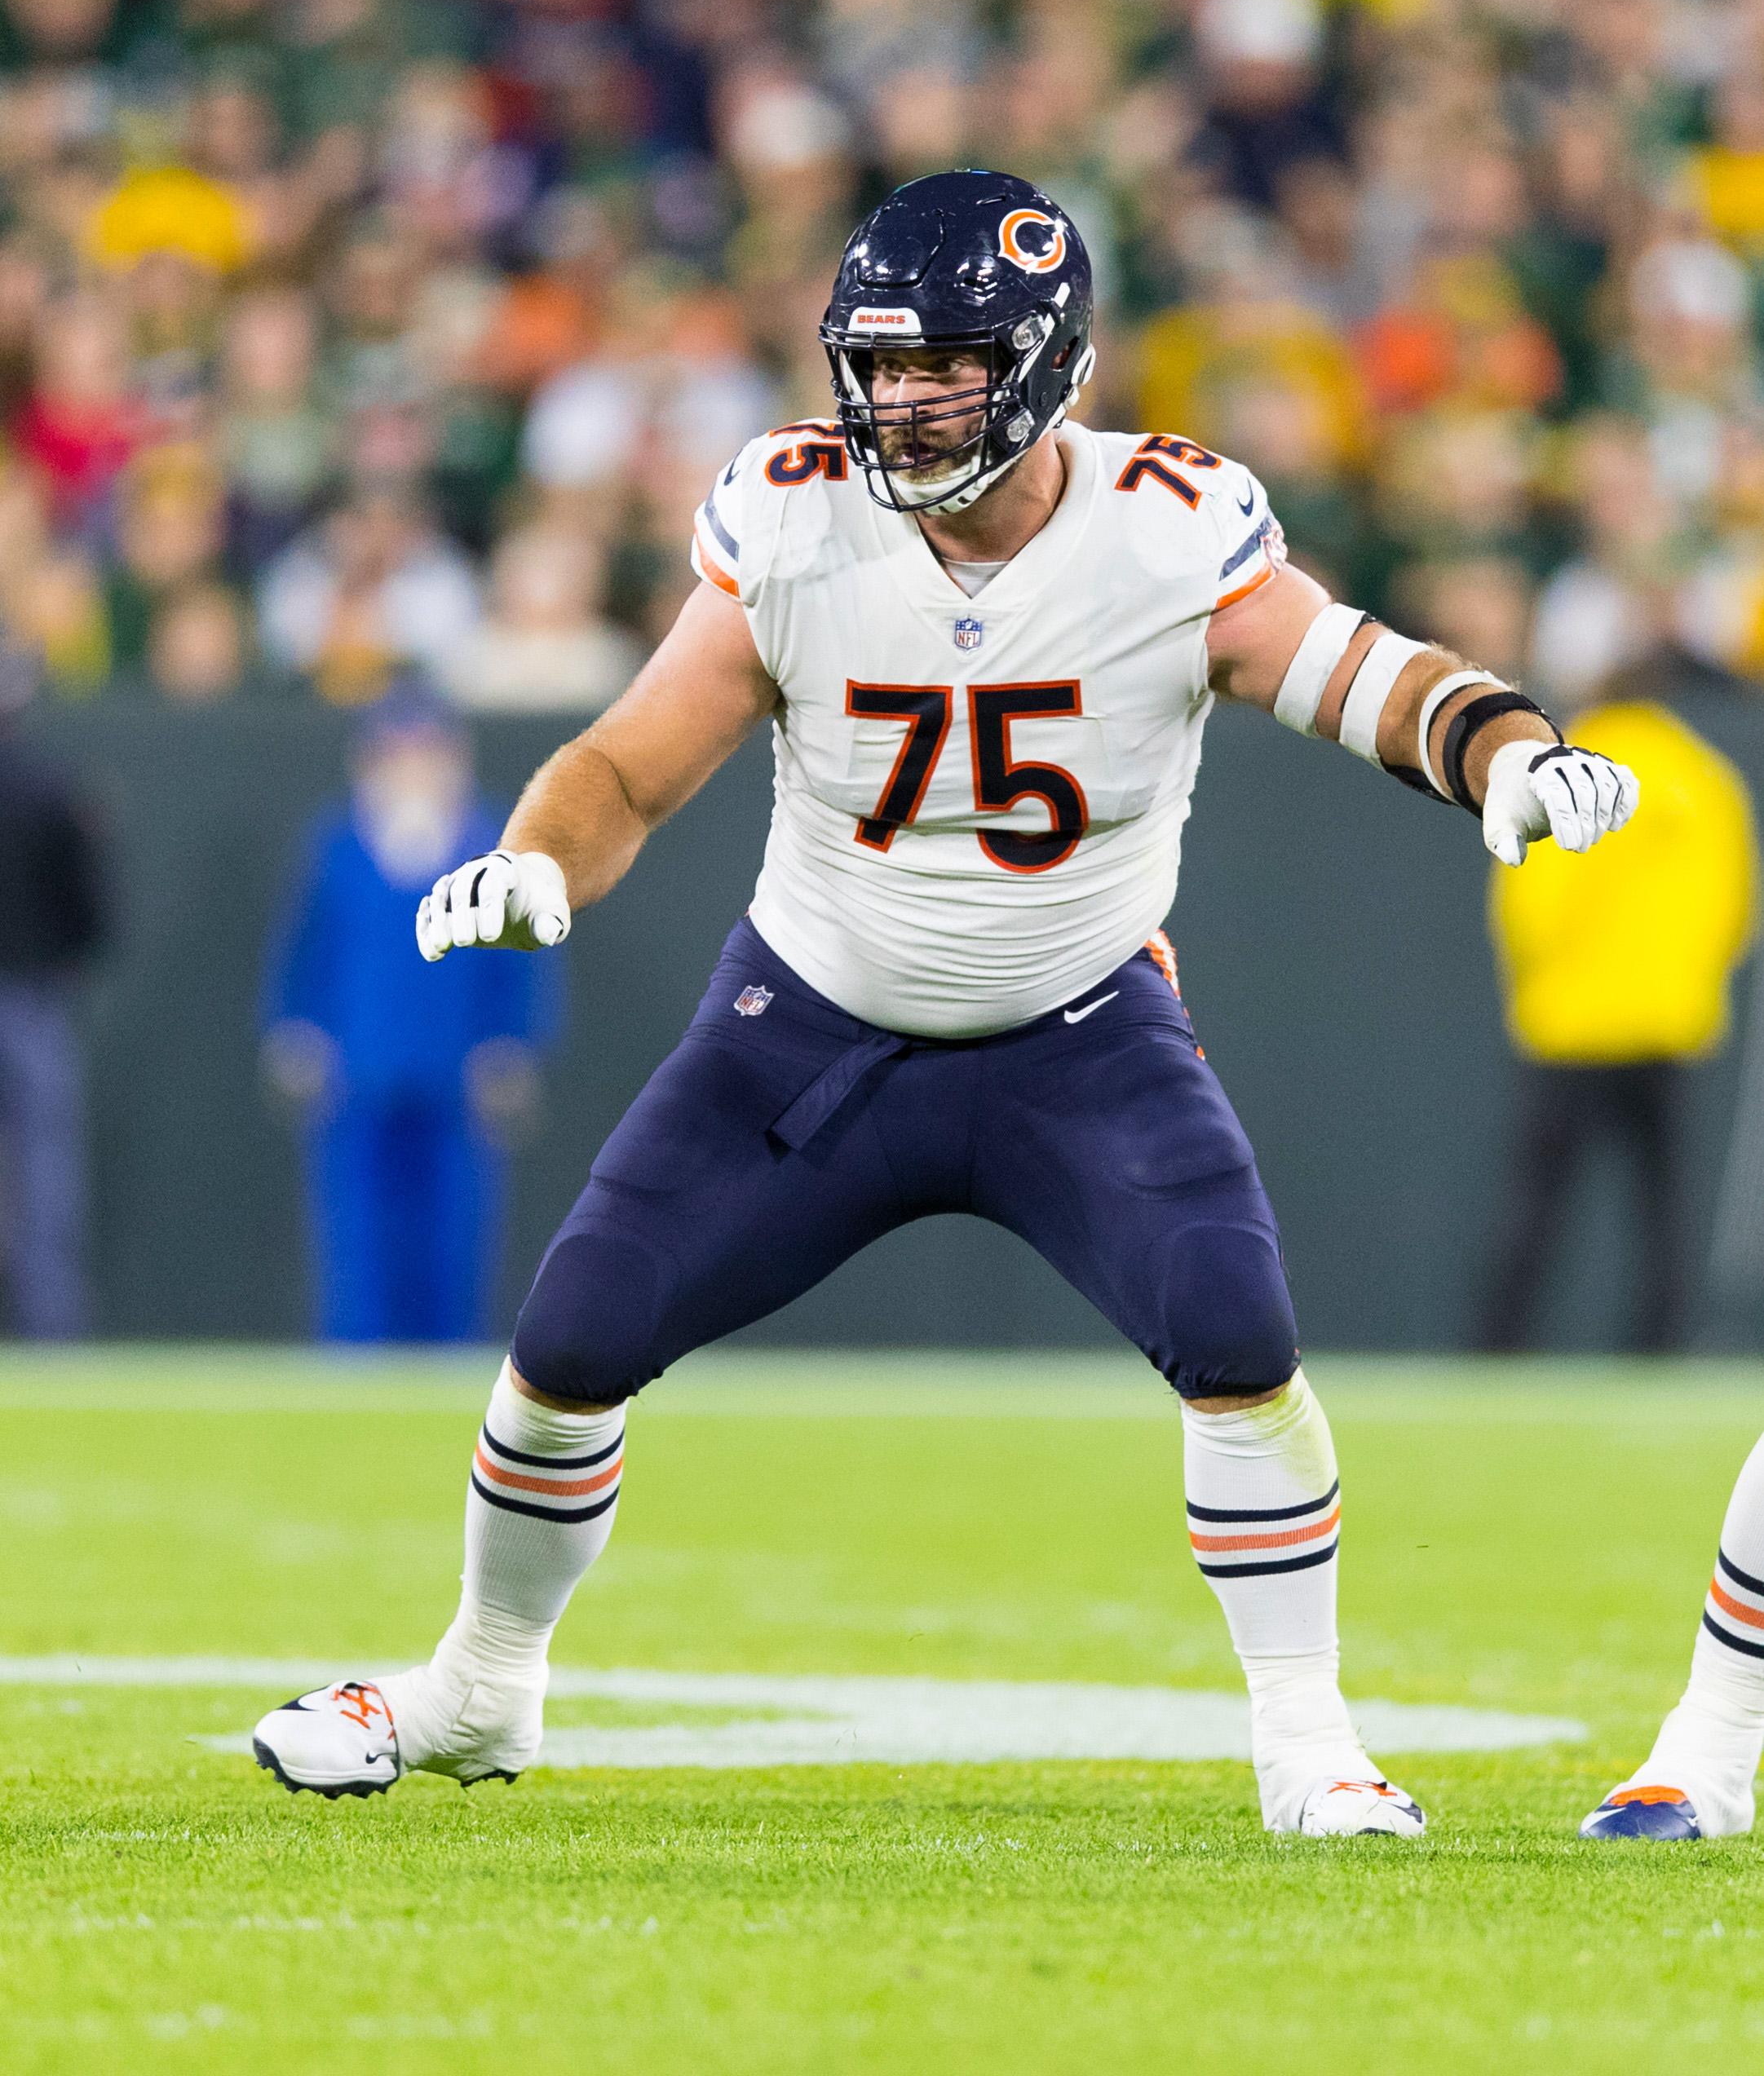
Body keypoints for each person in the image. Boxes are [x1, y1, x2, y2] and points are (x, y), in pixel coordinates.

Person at [253, 170, 1637, 1835]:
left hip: (1077, 1027)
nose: (901, 404)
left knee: (1236, 1337)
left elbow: (1357, 671)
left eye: (947, 366)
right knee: (567, 1343)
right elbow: (627, 759)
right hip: (811, 1030)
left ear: (1050, 361)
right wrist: (541, 857)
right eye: (880, 364)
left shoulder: (1162, 523)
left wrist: (1504, 753)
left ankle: (1305, 1739)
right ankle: (480, 1685)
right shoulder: (790, 509)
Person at [262, 690, 559, 1345]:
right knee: (359, 1244)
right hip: (359, 1080)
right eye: (395, 756)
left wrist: (510, 1045)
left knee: (452, 1242)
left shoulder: (491, 851)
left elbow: (519, 965)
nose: (412, 771)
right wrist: (296, 1031)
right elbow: (306, 952)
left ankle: (447, 1366)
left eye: (427, 755)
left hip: (454, 1085)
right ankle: (356, 1366)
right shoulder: (339, 846)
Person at [1480, 688, 1757, 1353]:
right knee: (1660, 1209)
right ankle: (1656, 1350)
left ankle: (1497, 1349)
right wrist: (1691, 984)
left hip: (1571, 1025)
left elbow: (1531, 900)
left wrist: (1536, 984)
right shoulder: (1703, 776)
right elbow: (1732, 903)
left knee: (1536, 1208)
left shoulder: (1564, 768)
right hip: (1665, 1025)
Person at [0, 645, 107, 1337]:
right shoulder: (54, 788)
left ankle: (53, 1322)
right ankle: (52, 1326)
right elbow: (90, 915)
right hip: (32, 998)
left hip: (31, 996)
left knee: (46, 1169)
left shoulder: (51, 788)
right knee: (45, 1171)